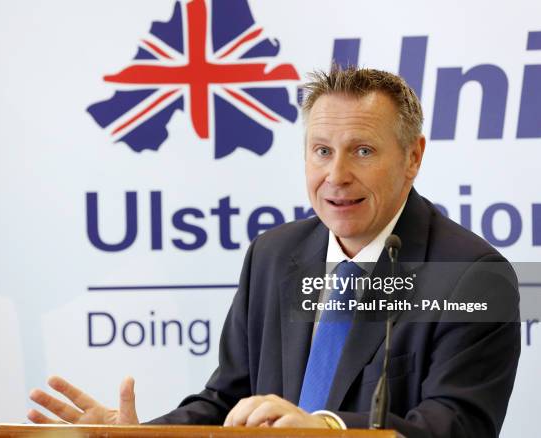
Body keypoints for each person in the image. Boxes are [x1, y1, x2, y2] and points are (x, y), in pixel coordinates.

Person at [27, 67, 520, 437]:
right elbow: (228, 400)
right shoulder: (274, 255)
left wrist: (327, 429)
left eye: (362, 151)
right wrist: (144, 433)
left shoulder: (471, 275)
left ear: (413, 157)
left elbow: (457, 425)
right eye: (322, 150)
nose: (337, 175)